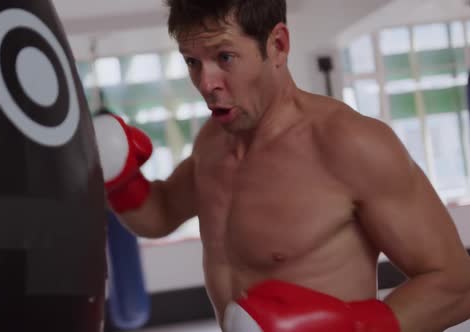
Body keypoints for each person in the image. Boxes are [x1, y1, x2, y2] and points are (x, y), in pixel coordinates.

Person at [92, 0, 470, 331]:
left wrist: (352, 327)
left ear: (278, 45)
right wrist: (122, 180)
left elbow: (456, 284)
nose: (206, 84)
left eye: (224, 57)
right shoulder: (214, 141)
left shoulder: (348, 144)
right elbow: (160, 215)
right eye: (193, 62)